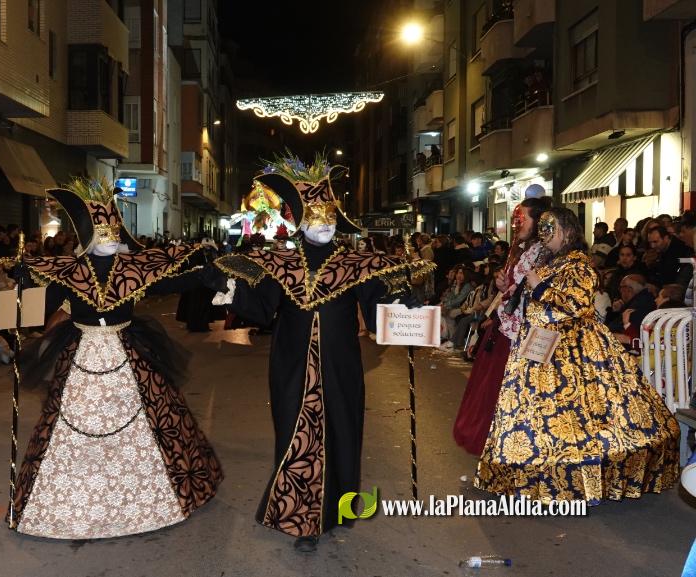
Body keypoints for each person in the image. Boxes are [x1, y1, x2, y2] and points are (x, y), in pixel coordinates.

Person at [213, 155, 431, 553]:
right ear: (301, 223)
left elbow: (378, 303)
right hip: (292, 364)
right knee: (298, 434)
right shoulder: (282, 262)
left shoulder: (356, 263)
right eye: (315, 218)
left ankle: (341, 508)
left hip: (340, 365)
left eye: (329, 217)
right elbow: (263, 307)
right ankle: (303, 519)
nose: (324, 224)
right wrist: (234, 293)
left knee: (342, 431)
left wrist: (406, 303)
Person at [6, 177, 222, 540]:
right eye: (101, 232)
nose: (109, 238)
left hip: (129, 350)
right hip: (81, 353)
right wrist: (20, 288)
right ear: (89, 235)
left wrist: (205, 275)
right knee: (68, 422)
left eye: (113, 231)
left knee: (155, 416)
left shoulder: (131, 269)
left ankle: (151, 498)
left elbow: (168, 282)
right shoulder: (70, 273)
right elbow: (37, 308)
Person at [475, 207, 679, 503]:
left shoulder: (579, 263)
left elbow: (577, 303)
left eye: (552, 229)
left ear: (567, 232)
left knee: (580, 418)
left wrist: (540, 287)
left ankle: (582, 480)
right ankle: (533, 472)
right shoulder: (549, 262)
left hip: (575, 352)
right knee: (537, 418)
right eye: (543, 229)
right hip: (538, 347)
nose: (546, 236)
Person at [452, 196, 551, 455]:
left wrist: (514, 290)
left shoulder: (545, 252)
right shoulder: (524, 249)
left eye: (524, 218)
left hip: (523, 332)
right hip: (506, 326)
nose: (518, 223)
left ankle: (510, 445)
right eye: (517, 219)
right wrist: (503, 287)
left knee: (508, 391)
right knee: (493, 389)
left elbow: (540, 293)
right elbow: (514, 289)